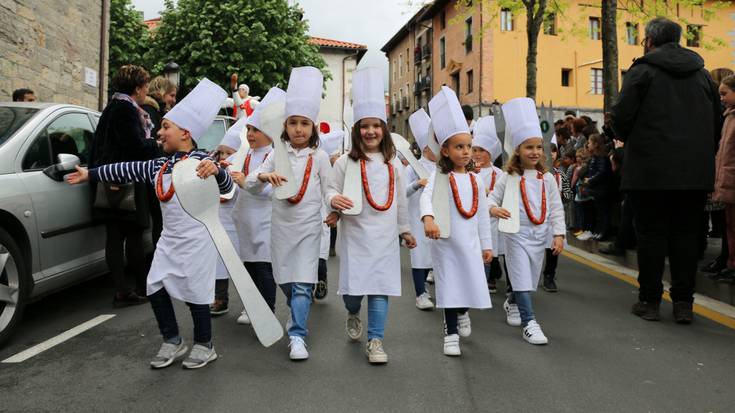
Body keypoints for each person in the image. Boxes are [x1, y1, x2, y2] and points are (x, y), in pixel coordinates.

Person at [67, 78, 231, 369]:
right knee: (155, 286)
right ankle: (172, 340)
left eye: (166, 127)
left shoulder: (203, 162)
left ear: (186, 133)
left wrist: (217, 171)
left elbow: (229, 187)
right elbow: (126, 167)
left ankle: (205, 345)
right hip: (169, 239)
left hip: (197, 240)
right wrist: (91, 173)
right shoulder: (159, 164)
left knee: (196, 293)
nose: (159, 131)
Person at [610, 17, 720, 324]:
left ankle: (650, 301)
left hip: (650, 172)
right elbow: (717, 124)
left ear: (648, 40)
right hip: (694, 175)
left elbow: (620, 117)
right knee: (687, 236)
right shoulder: (703, 76)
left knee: (651, 236)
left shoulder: (642, 71)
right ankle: (684, 304)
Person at [326, 67, 416, 364]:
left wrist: (404, 229)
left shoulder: (394, 165)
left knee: (380, 287)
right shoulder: (344, 162)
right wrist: (332, 202)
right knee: (354, 292)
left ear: (384, 129)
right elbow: (330, 189)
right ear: (357, 130)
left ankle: (376, 340)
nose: (371, 132)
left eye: (376, 126)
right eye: (365, 126)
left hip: (384, 238)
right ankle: (352, 311)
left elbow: (400, 201)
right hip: (354, 237)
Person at [245, 66, 332, 361]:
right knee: (285, 280)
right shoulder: (275, 154)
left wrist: (335, 207)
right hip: (281, 228)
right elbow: (248, 184)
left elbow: (329, 189)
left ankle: (297, 335)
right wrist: (262, 179)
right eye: (293, 123)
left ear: (313, 127)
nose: (298, 129)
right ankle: (296, 309)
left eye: (304, 123)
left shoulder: (319, 157)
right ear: (285, 126)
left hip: (309, 228)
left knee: (304, 283)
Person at [421, 87, 493, 357]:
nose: (466, 152)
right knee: (450, 286)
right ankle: (450, 333)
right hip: (446, 242)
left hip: (471, 244)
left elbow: (482, 214)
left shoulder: (476, 179)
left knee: (469, 283)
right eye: (459, 147)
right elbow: (425, 200)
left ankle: (463, 311)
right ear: (446, 151)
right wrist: (428, 220)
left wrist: (486, 244)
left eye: (469, 147)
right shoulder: (440, 177)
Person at [489, 97, 565, 345]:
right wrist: (494, 209)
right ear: (518, 150)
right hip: (515, 235)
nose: (534, 152)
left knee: (529, 282)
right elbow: (490, 200)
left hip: (539, 237)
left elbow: (556, 208)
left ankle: (513, 300)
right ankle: (530, 322)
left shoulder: (548, 179)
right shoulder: (507, 177)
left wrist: (559, 234)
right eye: (528, 147)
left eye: (538, 147)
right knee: (520, 277)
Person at [90, 65, 159, 307]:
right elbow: (136, 148)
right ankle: (140, 288)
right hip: (126, 179)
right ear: (138, 88)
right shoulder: (127, 111)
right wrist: (157, 144)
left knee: (115, 237)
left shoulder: (111, 107)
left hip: (108, 180)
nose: (147, 91)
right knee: (134, 237)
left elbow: (97, 147)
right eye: (146, 86)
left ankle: (121, 289)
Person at [233, 87, 284, 324]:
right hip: (245, 218)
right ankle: (251, 307)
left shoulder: (275, 156)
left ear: (271, 133)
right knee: (249, 267)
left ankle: (267, 310)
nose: (251, 134)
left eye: (256, 130)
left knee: (264, 268)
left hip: (265, 219)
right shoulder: (244, 154)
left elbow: (269, 189)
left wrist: (247, 182)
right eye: (249, 129)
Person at [209, 117, 246, 316]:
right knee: (219, 262)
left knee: (243, 267)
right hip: (220, 224)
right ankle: (220, 298)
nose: (224, 156)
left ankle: (249, 305)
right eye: (221, 152)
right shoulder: (213, 169)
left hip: (238, 225)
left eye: (229, 153)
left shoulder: (239, 171)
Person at [405, 108, 437, 310]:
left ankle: (430, 286)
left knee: (434, 255)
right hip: (417, 218)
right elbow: (403, 192)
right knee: (419, 256)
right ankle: (420, 294)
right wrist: (417, 184)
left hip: (437, 217)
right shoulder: (412, 167)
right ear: (426, 147)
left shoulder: (444, 167)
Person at [472, 116, 506, 294]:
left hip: (490, 220)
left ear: (491, 153)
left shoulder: (498, 173)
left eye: (481, 150)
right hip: (472, 216)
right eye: (474, 149)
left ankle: (490, 276)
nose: (477, 154)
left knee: (489, 248)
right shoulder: (468, 171)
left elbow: (500, 195)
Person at [713, 74, 735, 283]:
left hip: (731, 178)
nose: (721, 98)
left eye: (724, 93)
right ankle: (730, 264)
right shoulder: (729, 116)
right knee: (729, 224)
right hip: (727, 179)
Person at [542, 140, 572, 292]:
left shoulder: (560, 174)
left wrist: (559, 199)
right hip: (536, 214)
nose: (551, 154)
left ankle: (549, 276)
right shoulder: (535, 173)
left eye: (553, 151)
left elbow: (568, 194)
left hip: (552, 216)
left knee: (552, 248)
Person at [584, 134, 612, 241]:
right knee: (599, 211)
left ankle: (604, 232)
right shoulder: (595, 157)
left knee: (603, 212)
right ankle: (599, 231)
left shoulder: (601, 157)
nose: (588, 145)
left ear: (596, 144)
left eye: (590, 143)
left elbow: (602, 172)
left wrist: (590, 180)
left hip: (602, 189)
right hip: (597, 189)